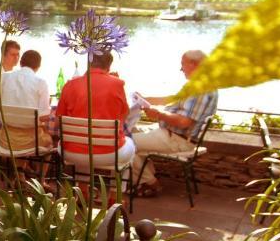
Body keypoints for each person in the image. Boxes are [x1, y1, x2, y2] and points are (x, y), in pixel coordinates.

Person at [130, 50, 218, 196]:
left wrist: (157, 114)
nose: (181, 69)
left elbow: (184, 122)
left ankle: (150, 183)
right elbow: (171, 99)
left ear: (194, 64)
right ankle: (144, 179)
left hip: (176, 139)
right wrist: (145, 99)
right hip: (172, 135)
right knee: (130, 132)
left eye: (183, 64)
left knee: (122, 143)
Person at [56, 51, 134, 172]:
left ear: (88, 63)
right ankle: (115, 189)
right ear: (109, 66)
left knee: (82, 143)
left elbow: (58, 122)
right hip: (110, 154)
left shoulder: (70, 85)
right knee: (130, 143)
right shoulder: (117, 84)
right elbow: (124, 114)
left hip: (71, 153)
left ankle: (82, 189)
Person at [0, 49, 52, 151]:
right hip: (31, 141)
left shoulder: (3, 77)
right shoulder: (41, 83)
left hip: (5, 139)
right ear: (38, 66)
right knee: (50, 141)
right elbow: (43, 117)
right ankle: (36, 167)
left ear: (20, 63)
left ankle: (21, 166)